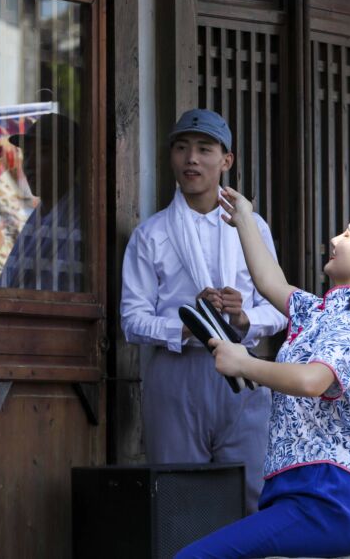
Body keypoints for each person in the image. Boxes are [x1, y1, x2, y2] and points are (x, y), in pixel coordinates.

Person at [176, 190, 350, 559]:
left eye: (347, 234)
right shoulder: (325, 310)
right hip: (300, 492)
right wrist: (243, 217)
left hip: (325, 497)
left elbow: (313, 381)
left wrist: (244, 362)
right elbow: (270, 282)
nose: (334, 240)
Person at [120, 109, 287, 513]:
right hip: (179, 374)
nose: (191, 159)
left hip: (247, 372)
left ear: (226, 160)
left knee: (254, 493)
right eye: (181, 148)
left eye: (204, 149)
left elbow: (281, 309)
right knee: (180, 499)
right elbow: (131, 318)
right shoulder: (153, 234)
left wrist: (244, 317)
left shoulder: (253, 228)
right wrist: (188, 327)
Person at [0, 114, 83, 292]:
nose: (29, 164)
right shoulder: (39, 218)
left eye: (42, 152)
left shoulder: (83, 222)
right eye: (26, 155)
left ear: (67, 158)